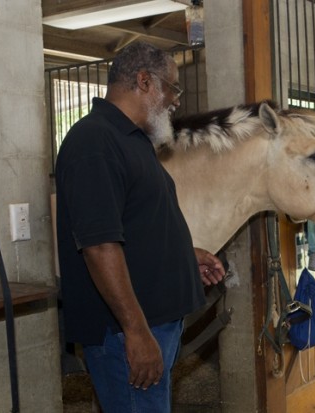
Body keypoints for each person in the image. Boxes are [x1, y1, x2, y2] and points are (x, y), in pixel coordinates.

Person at [55, 41, 225, 413]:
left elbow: (136, 223)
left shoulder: (132, 140)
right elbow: (99, 246)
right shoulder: (94, 142)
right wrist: (135, 330)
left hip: (151, 326)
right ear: (145, 81)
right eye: (173, 88)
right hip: (126, 332)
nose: (176, 100)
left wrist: (184, 256)